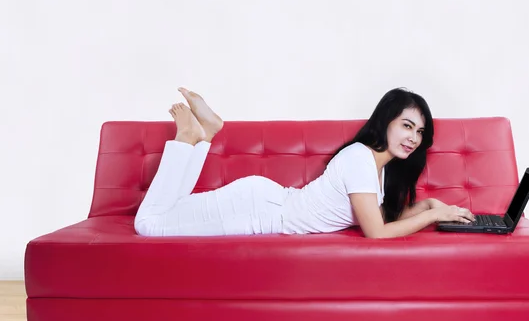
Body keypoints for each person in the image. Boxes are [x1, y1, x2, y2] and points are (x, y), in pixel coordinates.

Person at [134, 87, 475, 238]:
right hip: (260, 212)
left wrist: (429, 204)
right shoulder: (360, 160)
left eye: (419, 131)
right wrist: (433, 215)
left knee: (170, 210)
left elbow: (377, 218)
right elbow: (376, 233)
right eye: (406, 125)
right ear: (385, 120)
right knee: (149, 225)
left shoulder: (377, 167)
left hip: (265, 203)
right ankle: (190, 139)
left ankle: (205, 135)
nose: (413, 138)